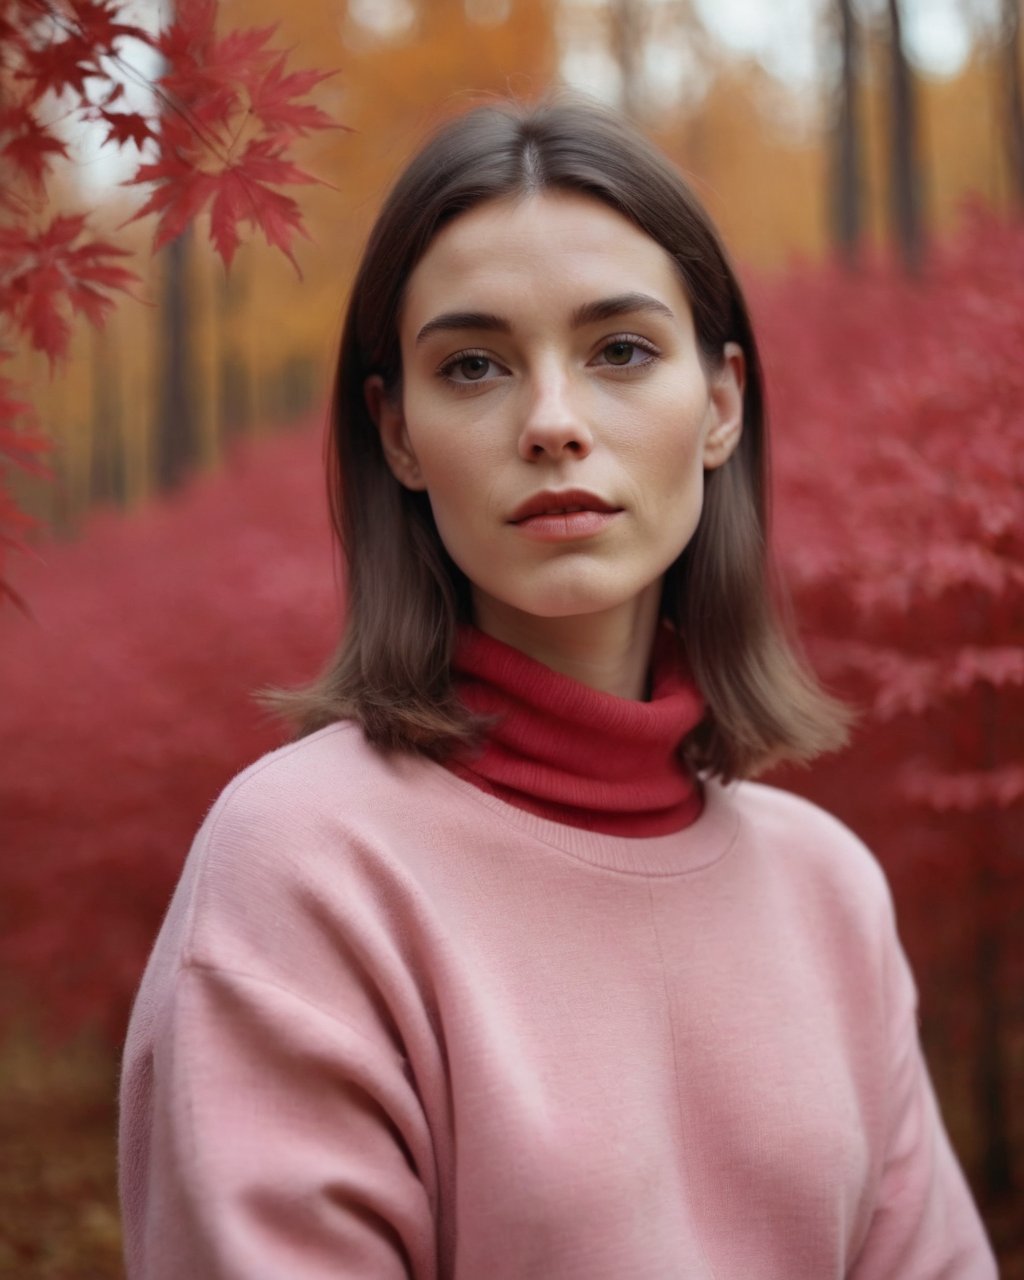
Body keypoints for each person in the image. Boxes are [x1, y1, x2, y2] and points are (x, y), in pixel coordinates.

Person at [118, 98, 997, 1279]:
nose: (552, 422)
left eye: (620, 350)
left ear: (721, 402)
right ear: (398, 433)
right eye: (472, 365)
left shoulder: (825, 888)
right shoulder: (303, 864)